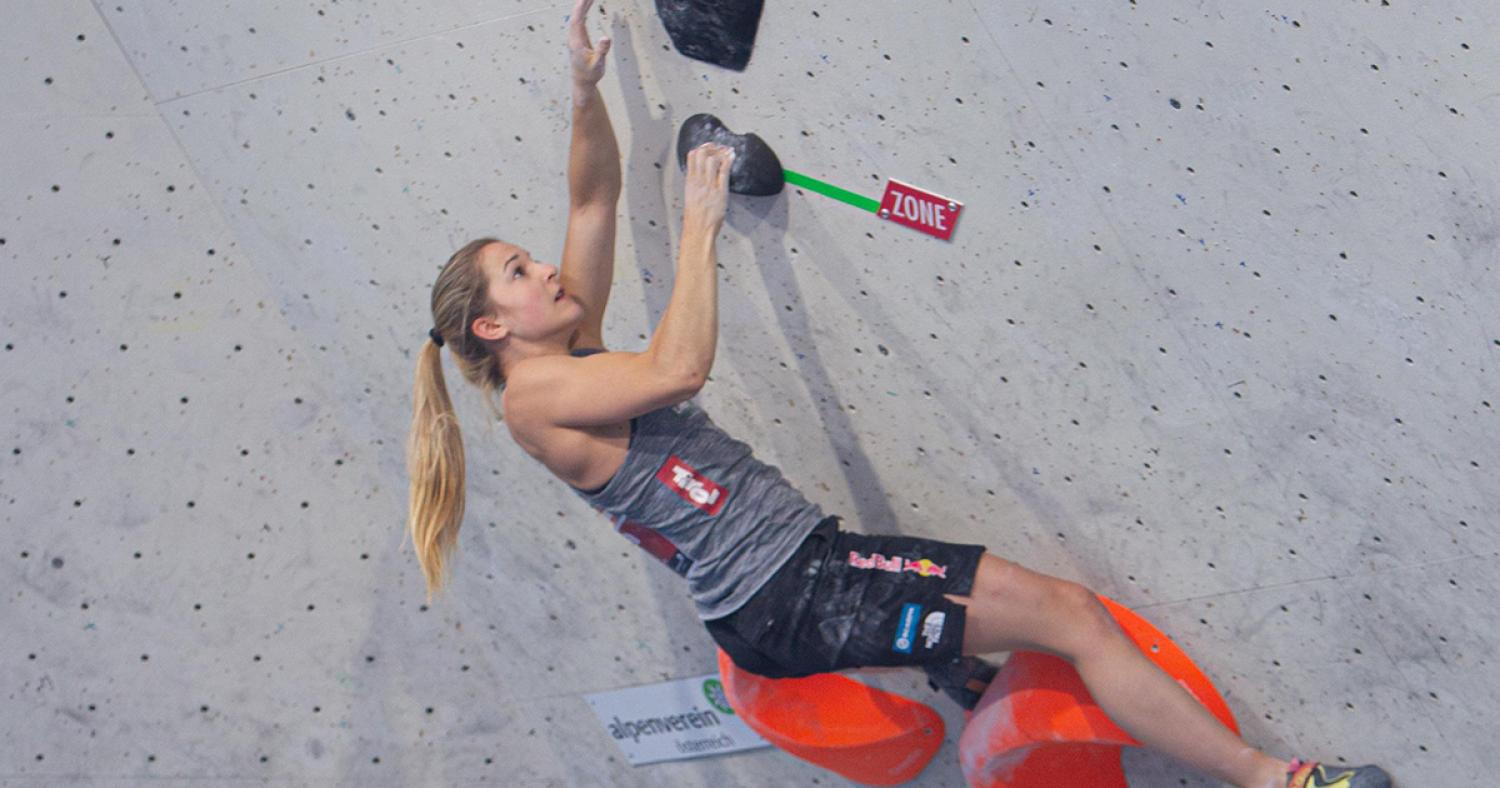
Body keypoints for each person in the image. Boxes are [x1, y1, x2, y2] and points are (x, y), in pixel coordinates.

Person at [404, 2, 1391, 786]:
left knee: (1028, 614)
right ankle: (1276, 780)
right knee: (1070, 615)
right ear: (491, 327)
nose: (545, 269)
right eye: (520, 273)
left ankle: (961, 670)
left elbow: (592, 199)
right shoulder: (534, 400)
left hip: (798, 574)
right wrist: (700, 222)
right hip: (791, 591)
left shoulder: (568, 353)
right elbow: (678, 371)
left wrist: (586, 91)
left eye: (531, 259)